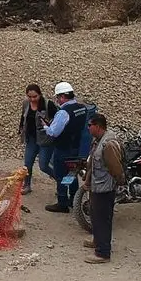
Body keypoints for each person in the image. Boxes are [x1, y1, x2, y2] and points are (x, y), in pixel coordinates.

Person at [81, 113, 124, 264]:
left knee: (102, 219)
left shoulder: (108, 144)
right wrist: (87, 181)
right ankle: (97, 240)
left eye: (89, 125)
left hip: (105, 188)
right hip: (96, 186)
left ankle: (103, 252)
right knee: (95, 216)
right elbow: (92, 162)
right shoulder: (98, 141)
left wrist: (119, 182)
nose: (88, 128)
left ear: (98, 126)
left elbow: (115, 168)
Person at [42, 81, 90, 213]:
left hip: (63, 148)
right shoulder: (82, 108)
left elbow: (54, 132)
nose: (57, 100)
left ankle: (62, 202)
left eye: (58, 97)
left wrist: (46, 126)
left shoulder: (64, 112)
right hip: (76, 147)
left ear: (63, 97)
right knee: (72, 173)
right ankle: (74, 199)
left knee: (61, 175)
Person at [19, 84, 59, 194]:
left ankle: (59, 180)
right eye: (29, 97)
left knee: (44, 166)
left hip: (45, 140)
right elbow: (23, 117)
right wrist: (21, 130)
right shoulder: (26, 103)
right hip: (31, 138)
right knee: (27, 164)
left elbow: (57, 120)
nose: (32, 99)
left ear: (40, 94)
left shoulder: (48, 105)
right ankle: (27, 185)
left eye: (34, 97)